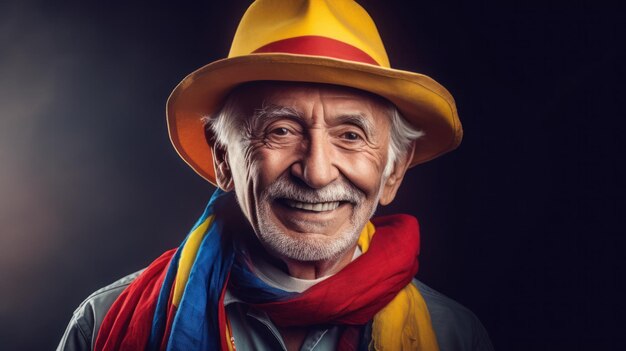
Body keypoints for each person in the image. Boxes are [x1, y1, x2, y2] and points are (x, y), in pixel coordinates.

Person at [58, 1, 494, 350]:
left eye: (350, 134)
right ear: (224, 158)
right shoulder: (102, 327)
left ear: (394, 169)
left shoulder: (455, 336)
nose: (318, 173)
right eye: (280, 131)